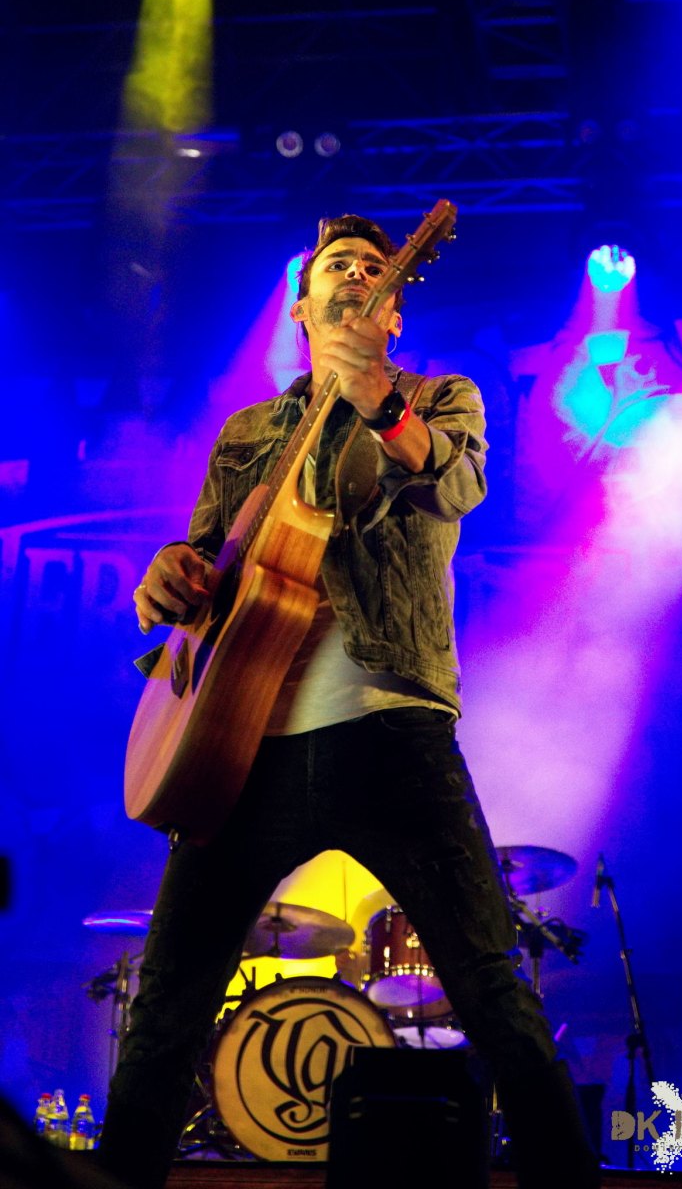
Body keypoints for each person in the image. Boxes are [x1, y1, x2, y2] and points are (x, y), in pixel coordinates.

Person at [97, 213, 600, 1189]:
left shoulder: (438, 397)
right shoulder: (247, 433)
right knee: (165, 1010)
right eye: (338, 265)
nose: (358, 274)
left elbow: (453, 486)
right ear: (301, 306)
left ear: (394, 308)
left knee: (489, 986)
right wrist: (166, 577)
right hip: (238, 748)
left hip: (390, 730)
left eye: (375, 266)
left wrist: (376, 399)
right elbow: (201, 565)